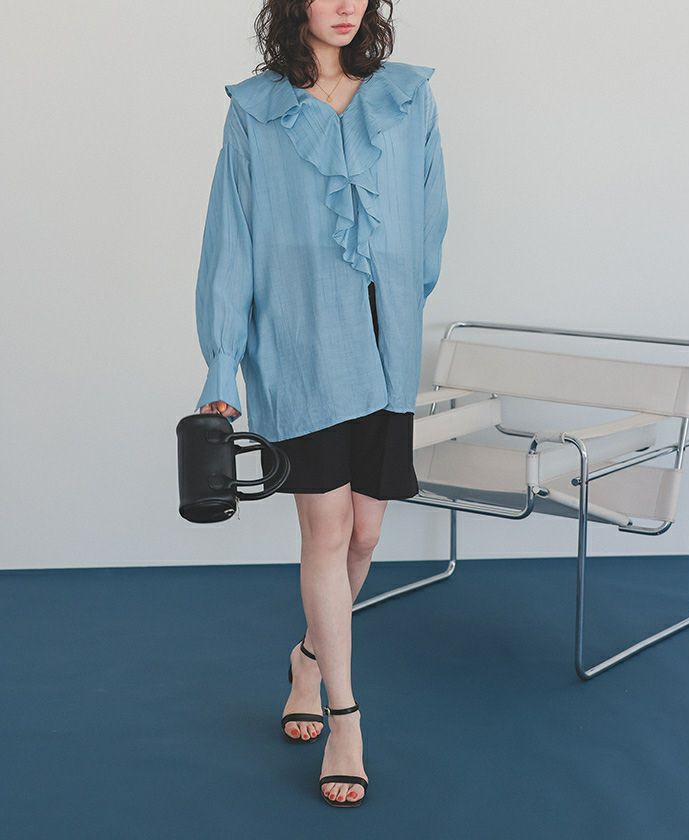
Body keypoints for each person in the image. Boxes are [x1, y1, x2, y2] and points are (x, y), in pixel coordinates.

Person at [194, 0, 448, 808]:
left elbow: (430, 219)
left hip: (386, 345)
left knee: (367, 533)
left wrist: (396, 298)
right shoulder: (256, 111)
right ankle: (345, 718)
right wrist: (222, 364)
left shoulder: (407, 98)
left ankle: (307, 658)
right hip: (300, 346)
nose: (345, 5)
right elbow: (231, 239)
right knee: (326, 531)